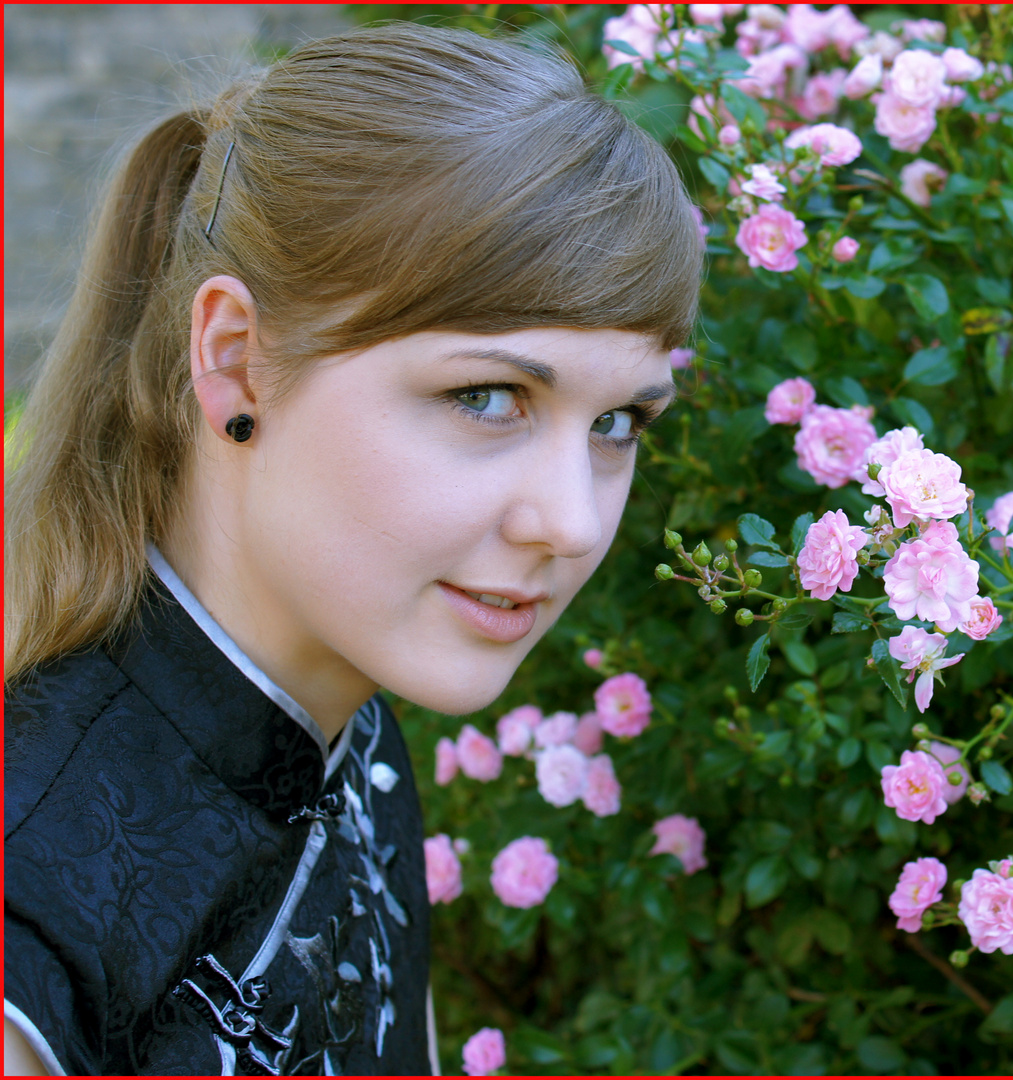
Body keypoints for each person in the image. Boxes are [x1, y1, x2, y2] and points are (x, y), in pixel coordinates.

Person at [3, 21, 701, 1076]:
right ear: (235, 362)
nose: (571, 522)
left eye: (619, 424)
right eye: (486, 397)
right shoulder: (32, 922)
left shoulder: (352, 725)